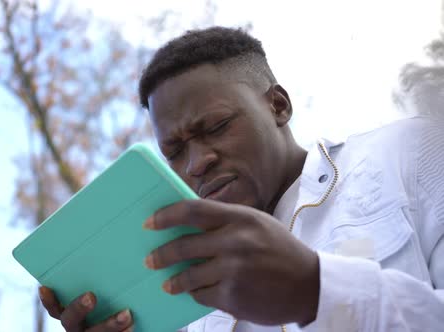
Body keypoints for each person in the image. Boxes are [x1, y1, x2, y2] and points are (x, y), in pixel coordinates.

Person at [38, 27, 444, 332]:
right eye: (174, 152)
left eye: (216, 126)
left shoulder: (410, 153)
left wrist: (317, 291)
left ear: (278, 105)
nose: (197, 163)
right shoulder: (183, 293)